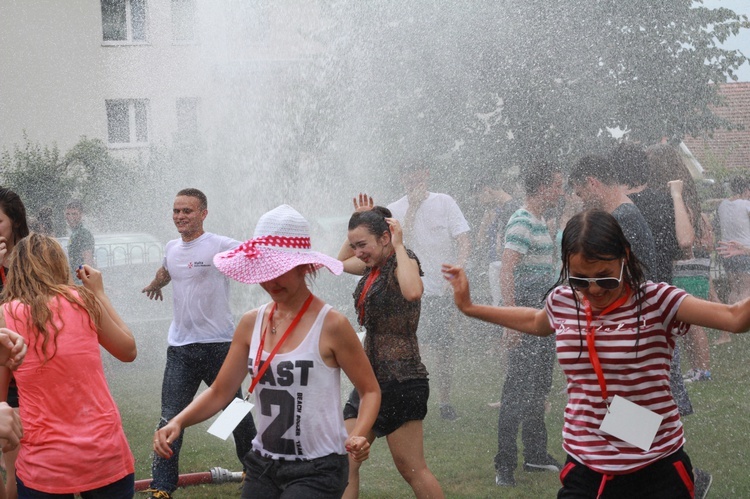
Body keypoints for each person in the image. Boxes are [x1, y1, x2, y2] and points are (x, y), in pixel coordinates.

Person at [443, 209, 750, 499]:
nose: (594, 291)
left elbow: (735, 318)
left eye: (605, 277)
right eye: (579, 279)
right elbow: (536, 321)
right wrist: (471, 307)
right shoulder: (564, 301)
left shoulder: (658, 300)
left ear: (624, 257)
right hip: (585, 465)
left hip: (655, 466)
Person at [153, 204, 380, 499]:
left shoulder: (332, 324)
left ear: (304, 266)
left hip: (318, 467)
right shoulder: (251, 323)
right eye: (263, 271)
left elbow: (370, 390)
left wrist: (360, 433)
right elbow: (222, 390)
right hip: (264, 463)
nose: (270, 282)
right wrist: (178, 421)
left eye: (280, 271)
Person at [141, 188, 256, 499]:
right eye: (177, 211)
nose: (180, 216)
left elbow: (251, 253)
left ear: (203, 213)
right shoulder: (171, 247)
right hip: (180, 348)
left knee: (236, 413)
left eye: (187, 211)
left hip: (220, 345)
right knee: (170, 415)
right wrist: (155, 284)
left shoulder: (218, 245)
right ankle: (162, 486)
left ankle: (254, 472)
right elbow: (168, 269)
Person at [1, 234, 136, 498]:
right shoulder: (83, 301)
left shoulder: (5, 317)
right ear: (59, 265)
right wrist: (100, 293)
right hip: (103, 452)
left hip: (43, 463)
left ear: (16, 270)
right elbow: (128, 350)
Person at [337, 198, 444, 499]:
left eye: (363, 244)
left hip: (401, 380)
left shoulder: (403, 260)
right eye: (354, 245)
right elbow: (339, 263)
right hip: (368, 381)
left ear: (385, 238)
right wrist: (358, 218)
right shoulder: (371, 265)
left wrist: (398, 244)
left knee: (411, 469)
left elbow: (412, 291)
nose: (358, 253)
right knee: (343, 459)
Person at [493, 161, 564, 487]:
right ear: (544, 187)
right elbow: (507, 270)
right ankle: (504, 464)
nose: (560, 191)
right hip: (524, 316)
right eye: (557, 185)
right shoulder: (522, 221)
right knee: (517, 391)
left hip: (543, 316)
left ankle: (535, 454)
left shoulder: (539, 220)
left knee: (538, 387)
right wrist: (510, 322)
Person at [387, 161, 471, 421]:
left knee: (444, 348)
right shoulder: (394, 209)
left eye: (416, 172)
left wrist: (458, 269)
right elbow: (399, 246)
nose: (412, 178)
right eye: (406, 173)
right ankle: (413, 399)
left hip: (441, 288)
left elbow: (463, 239)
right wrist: (412, 208)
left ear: (426, 173)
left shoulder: (444, 201)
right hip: (409, 290)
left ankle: (445, 402)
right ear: (401, 177)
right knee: (413, 346)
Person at [0, 187, 30, 499]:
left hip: (20, 380)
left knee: (16, 468)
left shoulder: (31, 262)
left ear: (15, 222)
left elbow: (29, 312)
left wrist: (7, 271)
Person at [717, 175, 750, 307]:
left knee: (734, 289)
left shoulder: (722, 205)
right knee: (746, 289)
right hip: (744, 252)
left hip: (727, 253)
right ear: (746, 190)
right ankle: (743, 322)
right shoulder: (746, 205)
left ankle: (731, 318)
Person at [64, 199, 95, 280]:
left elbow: (88, 261)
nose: (70, 217)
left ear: (81, 215)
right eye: (68, 213)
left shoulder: (83, 233)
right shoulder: (74, 233)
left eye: (74, 214)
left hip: (81, 282)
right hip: (76, 279)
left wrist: (85, 281)